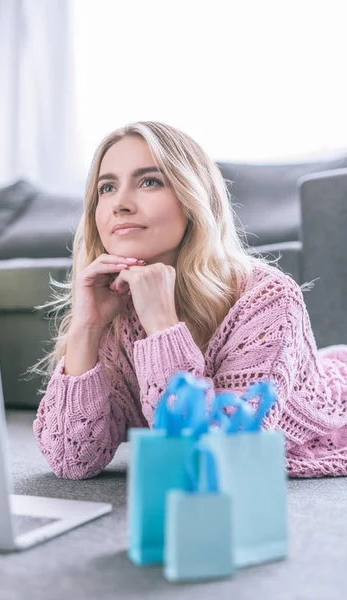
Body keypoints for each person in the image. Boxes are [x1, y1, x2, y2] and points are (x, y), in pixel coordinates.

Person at [31, 120, 347, 480]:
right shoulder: (112, 303)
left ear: (192, 198)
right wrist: (85, 328)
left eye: (149, 181)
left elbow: (217, 457)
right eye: (107, 187)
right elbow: (71, 459)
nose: (120, 203)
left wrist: (163, 326)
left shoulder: (268, 298)